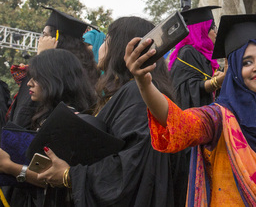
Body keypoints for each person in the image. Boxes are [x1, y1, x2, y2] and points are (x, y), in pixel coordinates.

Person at [125, 14, 256, 206]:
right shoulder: (219, 119)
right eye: (246, 62)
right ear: (234, 71)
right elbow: (180, 123)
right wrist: (145, 84)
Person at [36, 17, 180, 207]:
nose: (100, 47)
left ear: (121, 47)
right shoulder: (127, 92)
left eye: (106, 40)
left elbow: (130, 168)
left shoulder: (138, 94)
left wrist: (68, 175)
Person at [0, 49, 96, 206]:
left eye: (36, 78)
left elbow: (54, 178)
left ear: (55, 78)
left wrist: (9, 166)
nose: (29, 83)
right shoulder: (48, 115)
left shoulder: (71, 121)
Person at [9, 7, 98, 130]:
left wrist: (42, 59)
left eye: (45, 35)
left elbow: (23, 115)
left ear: (56, 39)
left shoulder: (67, 74)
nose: (40, 39)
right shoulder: (82, 71)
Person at [169, 6, 225, 109]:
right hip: (193, 117)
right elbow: (189, 88)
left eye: (215, 27)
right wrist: (216, 82)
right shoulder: (187, 53)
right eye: (212, 28)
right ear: (201, 30)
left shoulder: (208, 55)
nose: (216, 32)